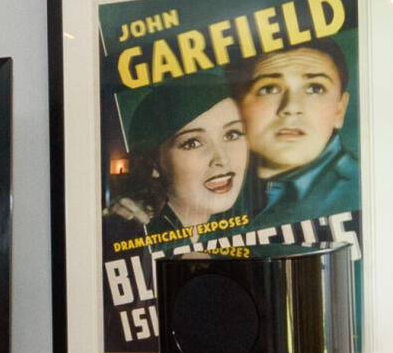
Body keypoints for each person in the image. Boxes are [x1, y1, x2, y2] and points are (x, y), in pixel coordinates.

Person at [107, 78, 252, 246]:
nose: (222, 159)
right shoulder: (134, 234)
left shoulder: (243, 231)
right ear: (153, 164)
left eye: (232, 134)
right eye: (192, 143)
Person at [233, 37, 359, 226]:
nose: (291, 107)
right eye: (269, 88)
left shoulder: (362, 191)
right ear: (236, 105)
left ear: (340, 109)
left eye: (315, 88)